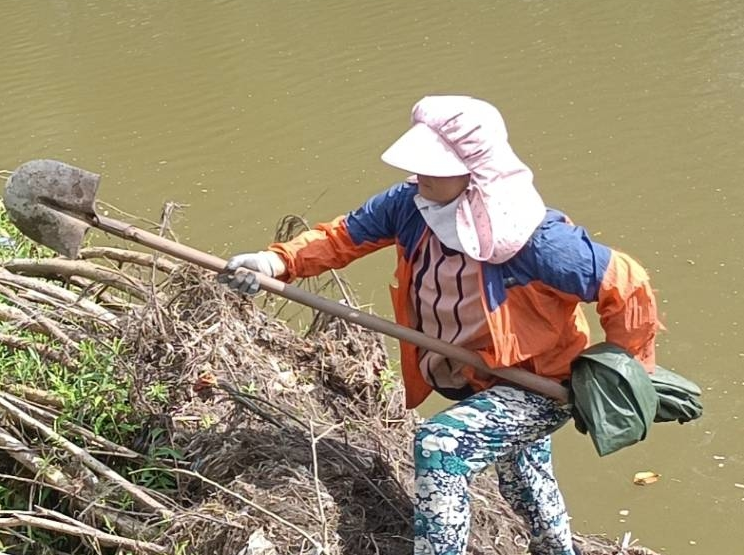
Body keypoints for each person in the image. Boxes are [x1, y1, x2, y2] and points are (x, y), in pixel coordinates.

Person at [219, 96, 660, 555]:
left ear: (475, 171)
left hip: (539, 381)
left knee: (440, 446)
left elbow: (627, 285)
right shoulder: (410, 205)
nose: (420, 176)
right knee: (523, 474)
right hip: (472, 375)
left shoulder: (537, 240)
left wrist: (621, 373)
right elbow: (342, 237)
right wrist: (276, 262)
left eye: (434, 167)